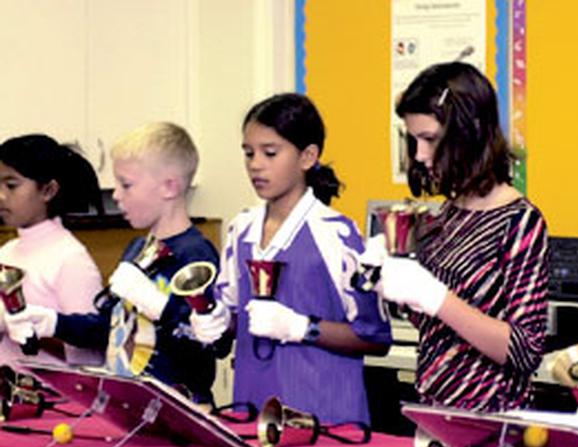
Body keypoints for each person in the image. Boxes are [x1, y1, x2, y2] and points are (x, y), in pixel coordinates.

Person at [189, 93, 391, 425]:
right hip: (253, 411)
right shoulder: (242, 229)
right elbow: (239, 315)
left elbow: (375, 337)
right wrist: (219, 322)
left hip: (324, 420)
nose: (255, 164)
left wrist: (301, 327)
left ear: (308, 156)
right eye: (248, 153)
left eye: (270, 153)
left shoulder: (335, 233)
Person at [366, 61, 549, 413]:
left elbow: (525, 351)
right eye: (413, 139)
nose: (419, 155)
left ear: (469, 131)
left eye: (430, 139)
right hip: (435, 412)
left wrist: (435, 297)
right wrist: (389, 280)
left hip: (492, 422)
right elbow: (435, 327)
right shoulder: (449, 214)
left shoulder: (520, 222)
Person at [6, 122, 220, 403]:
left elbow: (211, 345)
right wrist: (53, 323)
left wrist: (159, 307)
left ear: (169, 187)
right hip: (130, 407)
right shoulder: (137, 250)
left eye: (126, 184)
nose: (116, 194)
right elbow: (107, 327)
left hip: (181, 412)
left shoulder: (194, 254)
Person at [0, 134, 104, 368]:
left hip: (53, 401)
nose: (1, 195)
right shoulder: (7, 252)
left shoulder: (70, 259)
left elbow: (88, 360)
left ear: (48, 190)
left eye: (11, 185)